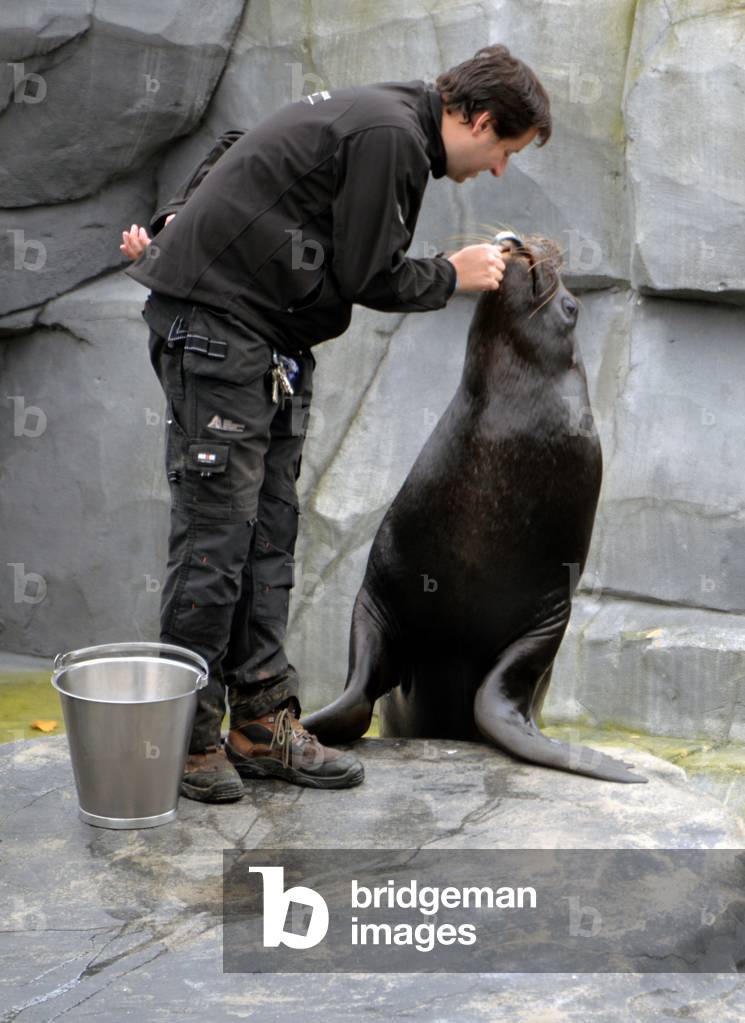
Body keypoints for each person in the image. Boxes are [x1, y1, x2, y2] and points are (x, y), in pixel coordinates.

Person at [122, 43, 552, 804]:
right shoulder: (391, 133)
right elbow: (369, 274)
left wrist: (177, 217)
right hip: (219, 332)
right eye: (505, 151)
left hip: (267, 343)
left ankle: (261, 722)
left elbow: (241, 146)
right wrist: (451, 273)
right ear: (481, 120)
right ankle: (182, 740)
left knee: (268, 533)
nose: (498, 170)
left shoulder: (384, 117)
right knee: (216, 538)